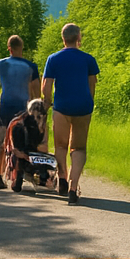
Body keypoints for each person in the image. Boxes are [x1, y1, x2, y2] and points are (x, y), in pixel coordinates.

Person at [41, 22, 100, 204]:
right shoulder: (88, 59)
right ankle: (74, 187)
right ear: (78, 38)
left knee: (61, 146)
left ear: (63, 38)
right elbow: (92, 85)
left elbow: (46, 86)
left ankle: (63, 179)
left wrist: (48, 102)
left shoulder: (53, 59)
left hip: (61, 107)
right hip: (83, 107)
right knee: (79, 148)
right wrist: (88, 102)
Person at [0, 34, 41, 190]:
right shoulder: (31, 66)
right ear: (21, 48)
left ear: (9, 48)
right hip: (23, 111)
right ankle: (20, 174)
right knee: (23, 144)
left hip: (4, 109)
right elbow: (37, 92)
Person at [4, 99, 55, 193]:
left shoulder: (43, 126)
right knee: (18, 159)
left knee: (52, 161)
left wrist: (41, 128)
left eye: (41, 115)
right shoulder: (18, 125)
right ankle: (18, 176)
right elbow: (15, 149)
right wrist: (25, 155)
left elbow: (44, 147)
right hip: (22, 154)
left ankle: (46, 178)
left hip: (35, 154)